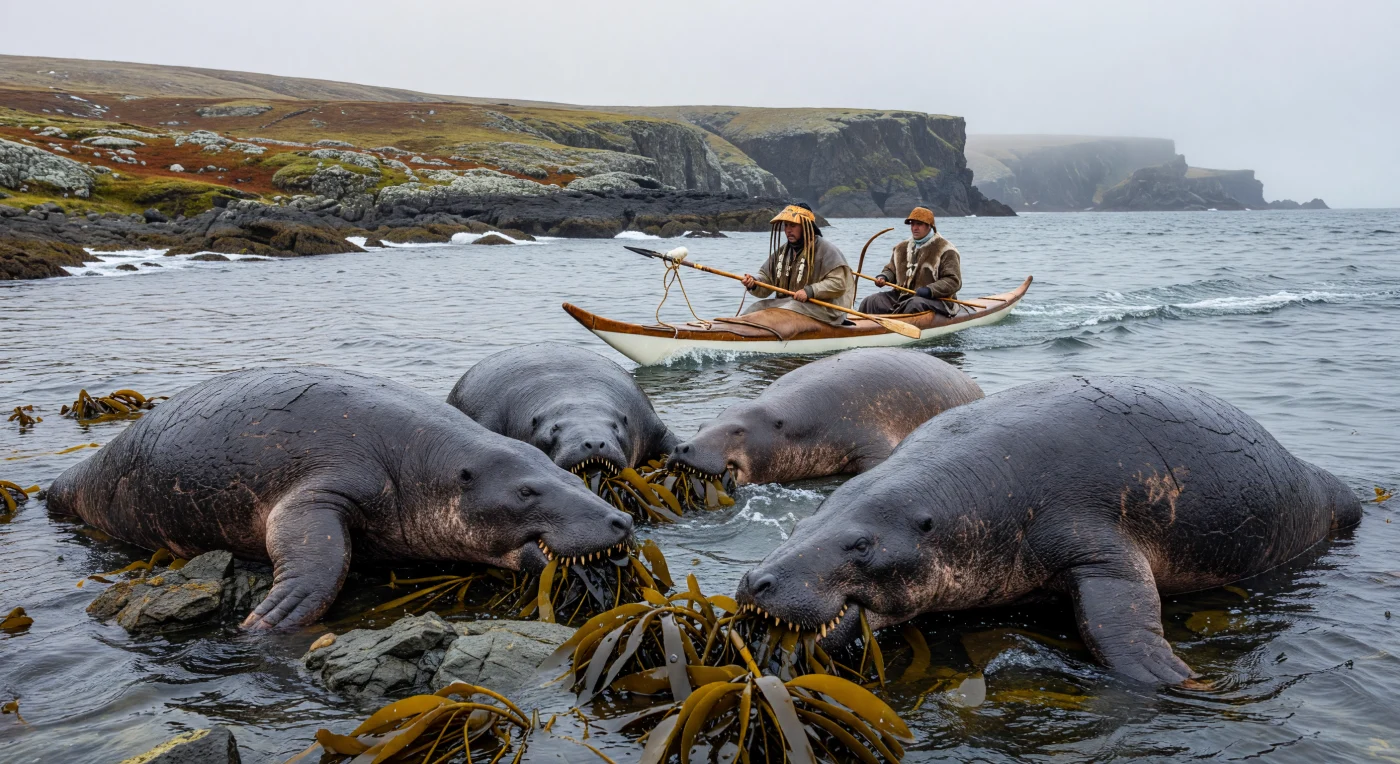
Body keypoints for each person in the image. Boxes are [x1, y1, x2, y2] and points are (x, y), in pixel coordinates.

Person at [739, 203, 855, 325]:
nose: (788, 230)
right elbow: (766, 278)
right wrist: (754, 282)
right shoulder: (783, 252)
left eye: (793, 225)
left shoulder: (826, 250)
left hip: (824, 309)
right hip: (788, 304)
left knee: (787, 309)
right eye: (786, 225)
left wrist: (810, 291)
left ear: (806, 226)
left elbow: (838, 283)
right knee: (756, 307)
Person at [858, 206, 962, 316]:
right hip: (902, 297)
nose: (914, 228)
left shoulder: (946, 249)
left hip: (937, 300)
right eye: (912, 224)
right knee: (871, 301)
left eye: (919, 224)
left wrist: (929, 290)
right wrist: (884, 277)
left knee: (914, 304)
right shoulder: (901, 248)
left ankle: (896, 327)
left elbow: (953, 281)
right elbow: (891, 270)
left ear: (929, 226)